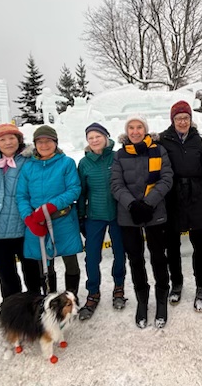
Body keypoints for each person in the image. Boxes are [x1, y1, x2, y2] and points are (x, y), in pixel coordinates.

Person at [110, 114, 173, 329]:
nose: (135, 131)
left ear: (145, 130)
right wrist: (132, 205)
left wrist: (148, 203)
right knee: (135, 259)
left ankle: (161, 299)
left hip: (155, 212)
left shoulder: (158, 150)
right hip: (129, 215)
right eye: (131, 128)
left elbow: (166, 178)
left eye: (139, 127)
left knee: (158, 257)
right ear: (126, 131)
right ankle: (142, 300)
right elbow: (116, 184)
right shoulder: (120, 155)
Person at [16, 125, 83, 296]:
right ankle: (50, 298)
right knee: (44, 264)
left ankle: (71, 298)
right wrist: (29, 218)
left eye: (48, 141)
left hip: (63, 218)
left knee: (70, 261)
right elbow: (21, 195)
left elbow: (74, 189)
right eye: (40, 142)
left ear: (55, 142)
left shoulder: (66, 163)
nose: (44, 145)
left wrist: (52, 205)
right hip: (38, 221)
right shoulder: (28, 167)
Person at [158, 101, 202, 311]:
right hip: (173, 197)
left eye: (186, 118)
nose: (183, 122)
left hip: (196, 196)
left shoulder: (197, 140)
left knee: (199, 245)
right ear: (172, 120)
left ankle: (201, 285)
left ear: (191, 119)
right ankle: (177, 283)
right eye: (179, 118)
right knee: (172, 246)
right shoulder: (163, 140)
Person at [0, 123, 41, 299]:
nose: (8, 143)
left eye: (12, 138)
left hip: (24, 226)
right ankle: (12, 308)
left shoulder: (30, 160)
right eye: (2, 139)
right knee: (5, 275)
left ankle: (34, 305)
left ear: (19, 140)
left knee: (33, 273)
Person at [76, 122, 127, 321]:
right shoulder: (84, 163)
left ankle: (119, 289)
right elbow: (81, 192)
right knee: (91, 257)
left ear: (106, 138)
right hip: (94, 216)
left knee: (119, 253)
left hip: (117, 215)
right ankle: (93, 293)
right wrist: (81, 216)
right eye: (91, 138)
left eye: (98, 136)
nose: (95, 140)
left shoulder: (117, 157)